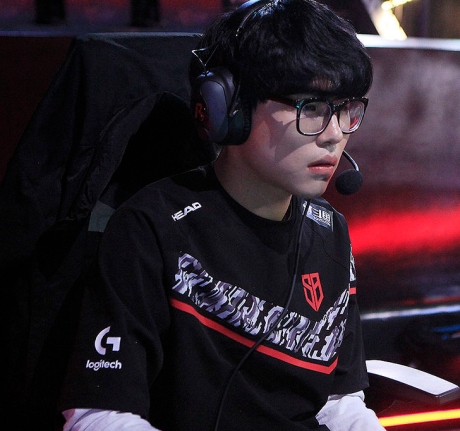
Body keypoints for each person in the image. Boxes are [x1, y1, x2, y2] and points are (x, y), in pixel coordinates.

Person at [59, 0, 384, 430]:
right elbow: (97, 415)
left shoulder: (329, 231)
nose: (335, 134)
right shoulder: (151, 228)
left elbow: (339, 401)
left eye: (346, 109)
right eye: (311, 107)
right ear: (229, 107)